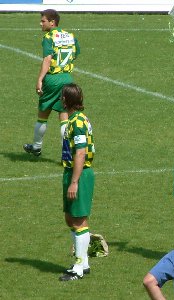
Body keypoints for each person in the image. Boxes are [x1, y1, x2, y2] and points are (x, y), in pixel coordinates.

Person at [24, 9, 80, 157]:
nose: (40, 23)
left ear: (52, 22)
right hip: (67, 79)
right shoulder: (70, 36)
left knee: (42, 115)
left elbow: (47, 59)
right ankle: (66, 154)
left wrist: (40, 80)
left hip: (52, 79)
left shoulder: (49, 37)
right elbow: (76, 53)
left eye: (43, 21)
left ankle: (36, 147)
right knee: (64, 117)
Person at [59, 83, 95, 281]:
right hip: (71, 172)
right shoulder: (73, 119)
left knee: (79, 220)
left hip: (79, 174)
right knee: (70, 218)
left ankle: (79, 266)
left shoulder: (78, 122)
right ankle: (84, 261)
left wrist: (75, 182)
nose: (60, 100)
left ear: (67, 100)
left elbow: (80, 153)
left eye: (62, 97)